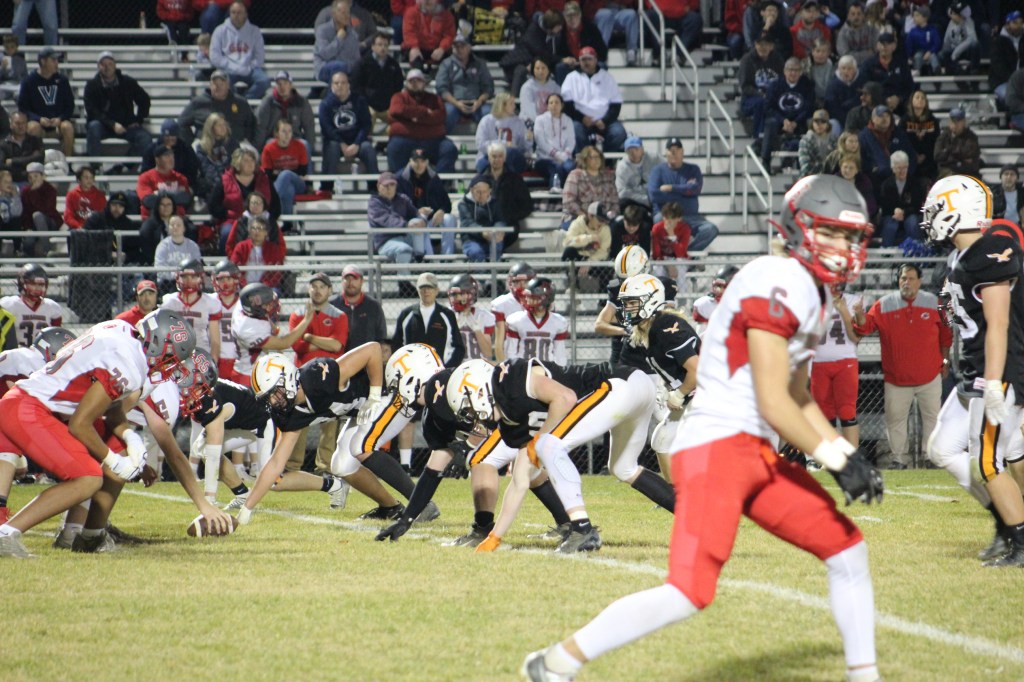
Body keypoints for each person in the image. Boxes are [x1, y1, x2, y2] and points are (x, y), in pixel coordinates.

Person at [522, 174, 883, 682]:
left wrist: (840, 449)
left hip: (753, 453)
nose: (843, 248)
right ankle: (558, 661)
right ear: (799, 228)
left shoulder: (816, 295)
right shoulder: (776, 279)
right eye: (832, 233)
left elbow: (798, 394)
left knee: (847, 548)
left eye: (850, 237)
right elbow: (772, 397)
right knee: (688, 592)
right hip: (716, 448)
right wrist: (838, 456)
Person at [0, 311, 228, 558]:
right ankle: (7, 534)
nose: (170, 367)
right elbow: (81, 424)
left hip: (39, 405)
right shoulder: (131, 366)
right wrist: (113, 460)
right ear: (159, 344)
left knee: (115, 451)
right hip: (31, 409)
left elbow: (110, 406)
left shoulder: (120, 330)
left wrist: (129, 437)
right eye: (171, 359)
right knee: (88, 477)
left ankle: (88, 535)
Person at [922, 174, 1024, 567]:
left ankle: (1019, 539)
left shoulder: (991, 250)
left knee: (988, 462)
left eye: (936, 209)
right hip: (973, 370)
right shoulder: (957, 258)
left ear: (956, 210)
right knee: (942, 448)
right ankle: (1004, 521)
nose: (930, 217)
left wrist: (995, 382)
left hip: (996, 372)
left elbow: (998, 324)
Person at [446, 357, 609, 553]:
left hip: (607, 386)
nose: (472, 416)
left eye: (469, 407)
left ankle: (581, 528)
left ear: (481, 391)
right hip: (589, 401)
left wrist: (540, 438)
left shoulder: (512, 382)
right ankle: (574, 526)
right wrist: (494, 537)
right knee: (623, 467)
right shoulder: (508, 419)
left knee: (546, 449)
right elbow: (519, 481)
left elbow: (565, 397)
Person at [237, 345, 407, 525]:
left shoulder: (316, 377)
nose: (273, 401)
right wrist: (247, 507)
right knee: (341, 466)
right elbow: (276, 463)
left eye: (275, 393)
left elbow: (372, 350)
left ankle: (420, 505)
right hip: (363, 412)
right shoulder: (290, 413)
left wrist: (374, 396)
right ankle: (391, 508)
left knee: (359, 447)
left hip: (393, 393)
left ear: (288, 378)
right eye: (268, 398)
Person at [853, 263, 951, 469]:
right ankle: (899, 459)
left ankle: (930, 457)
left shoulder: (934, 303)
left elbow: (946, 336)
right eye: (903, 278)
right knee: (895, 421)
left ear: (919, 281)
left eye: (911, 278)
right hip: (896, 378)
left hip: (929, 376)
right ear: (898, 281)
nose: (907, 282)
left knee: (932, 419)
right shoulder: (883, 304)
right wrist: (859, 315)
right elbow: (865, 327)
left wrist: (944, 361)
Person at [0, 326, 75, 522]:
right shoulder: (28, 359)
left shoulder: (26, 359)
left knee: (19, 467)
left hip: (6, 415)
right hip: (6, 416)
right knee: (7, 450)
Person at [285, 272, 350, 475]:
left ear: (330, 290)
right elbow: (297, 346)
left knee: (329, 422)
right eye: (314, 286)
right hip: (303, 378)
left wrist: (308, 337)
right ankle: (292, 467)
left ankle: (325, 468)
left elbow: (337, 345)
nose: (318, 290)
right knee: (299, 422)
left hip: (330, 377)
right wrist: (322, 343)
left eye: (322, 286)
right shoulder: (297, 314)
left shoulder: (339, 315)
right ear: (308, 289)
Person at [231, 282, 313, 384]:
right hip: (248, 376)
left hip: (252, 370)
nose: (271, 306)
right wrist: (306, 319)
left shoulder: (244, 307)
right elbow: (284, 343)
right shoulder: (248, 328)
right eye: (267, 305)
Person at [648, 138, 719, 252]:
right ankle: (669, 254)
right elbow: (654, 195)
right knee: (659, 219)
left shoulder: (693, 169)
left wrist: (671, 188)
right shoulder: (657, 171)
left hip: (690, 216)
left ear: (683, 152)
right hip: (665, 216)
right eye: (671, 150)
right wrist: (685, 192)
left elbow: (696, 189)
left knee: (711, 229)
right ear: (666, 153)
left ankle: (686, 254)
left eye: (677, 150)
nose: (674, 153)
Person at [387, 69, 458, 173]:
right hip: (405, 140)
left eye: (418, 80)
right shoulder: (398, 97)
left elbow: (441, 116)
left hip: (433, 140)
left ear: (424, 83)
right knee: (394, 147)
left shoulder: (434, 98)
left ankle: (439, 181)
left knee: (449, 148)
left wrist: (410, 118)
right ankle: (400, 180)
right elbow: (396, 110)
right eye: (411, 81)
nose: (415, 83)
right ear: (406, 83)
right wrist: (424, 111)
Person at [319, 70, 378, 195]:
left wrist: (356, 143)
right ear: (332, 85)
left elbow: (366, 125)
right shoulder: (325, 104)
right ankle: (326, 188)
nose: (339, 86)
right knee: (331, 147)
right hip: (336, 142)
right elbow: (326, 128)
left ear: (348, 85)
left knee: (368, 148)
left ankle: (374, 188)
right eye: (336, 83)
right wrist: (341, 143)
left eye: (343, 82)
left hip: (357, 142)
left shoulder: (359, 101)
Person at [83, 51, 151, 158]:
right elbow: (92, 111)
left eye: (110, 64)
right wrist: (112, 124)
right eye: (103, 64)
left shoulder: (127, 82)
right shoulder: (91, 85)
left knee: (145, 138)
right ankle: (95, 165)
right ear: (98, 67)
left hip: (126, 125)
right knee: (93, 127)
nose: (107, 67)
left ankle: (126, 164)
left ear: (115, 65)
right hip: (103, 125)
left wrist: (138, 119)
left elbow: (144, 100)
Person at [210, 146, 279, 251]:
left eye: (252, 160)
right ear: (237, 163)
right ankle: (227, 259)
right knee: (227, 233)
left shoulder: (264, 179)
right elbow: (212, 205)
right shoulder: (225, 180)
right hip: (233, 221)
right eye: (246, 161)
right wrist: (227, 214)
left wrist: (266, 218)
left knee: (271, 232)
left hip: (261, 221)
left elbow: (276, 206)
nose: (250, 163)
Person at [392, 272, 466, 369]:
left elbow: (459, 348)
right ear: (417, 289)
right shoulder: (406, 315)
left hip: (441, 371)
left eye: (430, 287)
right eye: (422, 287)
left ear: (437, 290)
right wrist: (406, 368)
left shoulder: (447, 315)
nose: (426, 291)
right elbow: (396, 345)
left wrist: (446, 369)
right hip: (413, 371)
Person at [560, 46, 626, 152]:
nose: (586, 62)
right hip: (580, 120)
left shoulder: (607, 77)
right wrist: (582, 118)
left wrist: (604, 120)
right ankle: (584, 159)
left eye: (589, 59)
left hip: (604, 121)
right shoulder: (571, 78)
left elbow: (616, 105)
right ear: (579, 61)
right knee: (575, 130)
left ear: (595, 60)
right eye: (583, 59)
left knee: (619, 132)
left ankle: (606, 159)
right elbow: (567, 105)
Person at [369, 171, 428, 288]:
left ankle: (419, 255)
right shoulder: (374, 203)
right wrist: (405, 225)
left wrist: (422, 221)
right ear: (378, 186)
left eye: (392, 185)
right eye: (386, 185)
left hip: (405, 237)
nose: (389, 188)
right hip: (386, 242)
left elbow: (416, 213)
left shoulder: (402, 199)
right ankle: (404, 283)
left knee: (416, 222)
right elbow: (387, 220)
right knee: (404, 249)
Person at [396, 149, 457, 256]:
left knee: (449, 219)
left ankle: (447, 257)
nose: (419, 165)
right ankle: (429, 259)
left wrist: (441, 211)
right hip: (412, 219)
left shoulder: (433, 177)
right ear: (410, 161)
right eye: (416, 161)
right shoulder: (400, 178)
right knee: (420, 221)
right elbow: (399, 205)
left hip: (432, 218)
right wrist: (417, 212)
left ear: (427, 162)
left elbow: (446, 202)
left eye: (422, 161)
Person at [17, 45, 75, 157]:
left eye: (57, 60)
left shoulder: (62, 80)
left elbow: (70, 106)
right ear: (43, 61)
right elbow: (23, 108)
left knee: (67, 127)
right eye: (53, 60)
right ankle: (33, 160)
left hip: (58, 123)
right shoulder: (29, 81)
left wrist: (60, 118)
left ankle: (68, 161)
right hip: (38, 123)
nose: (56, 63)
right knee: (32, 127)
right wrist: (38, 118)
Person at [760, 56, 815, 169]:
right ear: (785, 71)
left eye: (796, 70)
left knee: (813, 122)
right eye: (790, 70)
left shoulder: (807, 85)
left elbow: (809, 108)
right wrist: (783, 120)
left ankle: (809, 163)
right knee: (770, 123)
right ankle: (765, 161)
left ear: (801, 72)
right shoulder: (775, 85)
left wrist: (795, 122)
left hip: (800, 121)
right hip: (779, 121)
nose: (793, 73)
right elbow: (768, 107)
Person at [177, 70, 256, 146]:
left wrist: (245, 138)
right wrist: (190, 141)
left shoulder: (240, 102)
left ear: (228, 85)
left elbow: (252, 123)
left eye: (221, 84)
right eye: (215, 84)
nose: (218, 87)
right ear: (210, 85)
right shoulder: (198, 102)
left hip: (237, 144)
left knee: (250, 152)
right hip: (205, 145)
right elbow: (182, 123)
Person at [209, 1, 270, 99]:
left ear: (245, 14)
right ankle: (234, 101)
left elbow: (260, 57)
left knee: (264, 81)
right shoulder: (220, 30)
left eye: (239, 13)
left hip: (249, 69)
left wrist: (249, 67)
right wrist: (231, 66)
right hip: (228, 69)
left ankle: (245, 100)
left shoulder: (254, 31)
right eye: (233, 12)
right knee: (221, 82)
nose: (236, 15)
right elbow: (214, 57)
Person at [504, 277, 569, 367]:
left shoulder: (558, 322)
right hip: (523, 370)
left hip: (547, 370)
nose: (527, 300)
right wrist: (515, 371)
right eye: (527, 297)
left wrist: (558, 372)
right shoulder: (516, 320)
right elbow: (510, 354)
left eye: (533, 298)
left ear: (545, 300)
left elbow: (560, 355)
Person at [437, 33, 495, 134]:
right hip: (454, 103)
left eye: (462, 46)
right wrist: (456, 103)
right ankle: (441, 140)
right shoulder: (446, 64)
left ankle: (490, 142)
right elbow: (441, 88)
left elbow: (488, 87)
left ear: (469, 47)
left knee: (490, 115)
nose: (459, 49)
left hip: (477, 103)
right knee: (446, 113)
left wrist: (479, 101)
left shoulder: (479, 64)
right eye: (456, 47)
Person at [479, 143, 533, 249]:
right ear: (489, 158)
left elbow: (527, 206)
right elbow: (471, 204)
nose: (497, 160)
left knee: (497, 235)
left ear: (504, 158)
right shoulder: (480, 179)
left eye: (500, 156)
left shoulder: (515, 179)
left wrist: (509, 216)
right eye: (494, 156)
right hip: (485, 224)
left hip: (508, 225)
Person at [354, 31, 405, 135]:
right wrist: (364, 101)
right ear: (373, 46)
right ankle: (366, 141)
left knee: (402, 124)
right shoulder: (363, 63)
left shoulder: (393, 65)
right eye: (380, 44)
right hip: (368, 105)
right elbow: (356, 85)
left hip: (388, 107)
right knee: (367, 117)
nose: (383, 48)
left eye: (385, 45)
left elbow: (399, 85)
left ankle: (383, 142)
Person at [0, 263, 62, 348]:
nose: (37, 288)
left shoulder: (52, 307)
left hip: (42, 354)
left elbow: (56, 337)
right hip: (16, 353)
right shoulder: (9, 305)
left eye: (41, 284)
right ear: (22, 284)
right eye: (33, 284)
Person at [858, 104, 916, 193]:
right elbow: (861, 160)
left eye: (887, 116)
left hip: (900, 179)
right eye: (881, 116)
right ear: (873, 119)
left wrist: (907, 173)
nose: (885, 119)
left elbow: (911, 155)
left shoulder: (899, 133)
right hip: (874, 181)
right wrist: (874, 170)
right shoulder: (864, 136)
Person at [254, 70, 316, 153]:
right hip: (273, 139)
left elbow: (309, 127)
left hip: (295, 138)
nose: (282, 87)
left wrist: (311, 146)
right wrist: (258, 149)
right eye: (279, 84)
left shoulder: (301, 102)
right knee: (269, 145)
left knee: (305, 145)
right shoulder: (268, 102)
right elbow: (261, 127)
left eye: (285, 83)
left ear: (290, 85)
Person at [738, 32, 785, 140]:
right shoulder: (747, 60)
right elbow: (745, 86)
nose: (763, 47)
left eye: (766, 44)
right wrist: (761, 94)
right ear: (755, 45)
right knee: (761, 103)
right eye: (760, 44)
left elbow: (782, 81)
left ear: (772, 46)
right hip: (751, 99)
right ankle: (758, 137)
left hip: (772, 97)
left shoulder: (778, 59)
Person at [329, 265, 388, 350]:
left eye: (355, 279)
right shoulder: (332, 304)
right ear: (342, 281)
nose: (350, 282)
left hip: (366, 355)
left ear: (362, 281)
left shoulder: (373, 306)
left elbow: (381, 336)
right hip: (338, 355)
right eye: (347, 278)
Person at [260, 119, 309, 220]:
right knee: (288, 190)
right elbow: (267, 174)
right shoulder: (268, 149)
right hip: (278, 183)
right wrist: (282, 174)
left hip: (298, 183)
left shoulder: (300, 146)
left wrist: (279, 172)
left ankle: (270, 206)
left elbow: (303, 171)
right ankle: (287, 224)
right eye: (283, 131)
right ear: (276, 133)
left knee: (286, 174)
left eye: (289, 131)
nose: (287, 135)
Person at [877, 151, 927, 247]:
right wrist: (895, 211)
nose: (902, 171)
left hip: (910, 215)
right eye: (899, 168)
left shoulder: (915, 183)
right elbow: (884, 205)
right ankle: (885, 252)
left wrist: (904, 212)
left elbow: (917, 206)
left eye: (905, 167)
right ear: (893, 168)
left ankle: (918, 250)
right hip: (891, 215)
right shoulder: (886, 184)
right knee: (890, 225)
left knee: (912, 222)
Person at [561, 144, 617, 230]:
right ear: (585, 159)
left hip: (604, 221)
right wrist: (587, 217)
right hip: (578, 218)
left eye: (598, 157)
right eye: (592, 157)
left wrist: (608, 217)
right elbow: (568, 201)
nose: (596, 160)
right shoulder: (575, 175)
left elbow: (615, 204)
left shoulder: (608, 177)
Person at [473, 92, 529, 174]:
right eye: (511, 104)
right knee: (503, 155)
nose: (514, 106)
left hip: (512, 158)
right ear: (502, 105)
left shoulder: (519, 122)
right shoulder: (486, 121)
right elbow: (480, 144)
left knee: (511, 153)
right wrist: (503, 145)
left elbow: (522, 149)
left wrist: (528, 140)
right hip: (488, 157)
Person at [861, 32, 914, 116]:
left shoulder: (902, 64)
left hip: (900, 105)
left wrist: (899, 99)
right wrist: (883, 100)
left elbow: (909, 86)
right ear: (877, 46)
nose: (884, 47)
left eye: (888, 44)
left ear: (894, 46)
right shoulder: (868, 64)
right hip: (875, 105)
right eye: (882, 44)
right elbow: (864, 87)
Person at [230, 216, 287, 292]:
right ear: (249, 230)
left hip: (266, 288)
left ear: (266, 232)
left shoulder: (273, 249)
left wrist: (264, 286)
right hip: (243, 287)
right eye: (254, 228)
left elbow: (277, 273)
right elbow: (233, 268)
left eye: (260, 228)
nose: (257, 231)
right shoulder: (241, 247)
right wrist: (245, 286)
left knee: (275, 292)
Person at [562, 202, 612, 287]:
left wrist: (589, 262)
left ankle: (604, 294)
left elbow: (603, 252)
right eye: (600, 220)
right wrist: (589, 238)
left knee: (608, 267)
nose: (602, 223)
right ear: (590, 216)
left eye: (604, 220)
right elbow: (567, 242)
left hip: (594, 260)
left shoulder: (605, 229)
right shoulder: (578, 224)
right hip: (578, 258)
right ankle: (574, 287)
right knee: (568, 252)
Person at [141, 119, 201, 191]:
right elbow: (145, 172)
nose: (170, 138)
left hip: (180, 186)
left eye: (173, 135)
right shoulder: (151, 150)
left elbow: (192, 171)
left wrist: (182, 184)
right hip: (157, 187)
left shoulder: (185, 149)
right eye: (167, 135)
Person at [491, 261, 534, 362]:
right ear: (511, 283)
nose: (522, 286)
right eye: (517, 282)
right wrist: (503, 366)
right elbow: (499, 344)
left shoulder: (541, 302)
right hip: (511, 356)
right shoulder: (502, 303)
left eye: (525, 282)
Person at [458, 176, 507, 262]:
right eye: (478, 192)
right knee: (476, 251)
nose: (481, 195)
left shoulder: (495, 203)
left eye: (484, 192)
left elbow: (500, 220)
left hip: (491, 236)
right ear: (471, 190)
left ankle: (495, 268)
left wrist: (498, 230)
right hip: (471, 239)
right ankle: (482, 271)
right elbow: (468, 223)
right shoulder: (463, 204)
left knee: (497, 242)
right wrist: (482, 232)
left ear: (489, 191)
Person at [557, 2, 608, 82]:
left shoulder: (591, 28)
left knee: (602, 66)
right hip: (570, 65)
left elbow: (603, 52)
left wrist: (589, 59)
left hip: (589, 62)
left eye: (575, 15)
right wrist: (563, 59)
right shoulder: (560, 31)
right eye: (569, 16)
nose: (572, 19)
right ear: (564, 17)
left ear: (580, 15)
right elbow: (553, 54)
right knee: (560, 67)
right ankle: (563, 90)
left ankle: (598, 89)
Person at [533, 93, 576, 188]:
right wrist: (556, 154)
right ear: (547, 106)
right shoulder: (540, 120)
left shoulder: (568, 120)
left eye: (556, 102)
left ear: (562, 105)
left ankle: (568, 193)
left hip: (565, 158)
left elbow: (571, 141)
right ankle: (555, 192)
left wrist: (565, 155)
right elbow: (541, 142)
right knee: (556, 168)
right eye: (551, 103)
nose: (554, 105)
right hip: (544, 158)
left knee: (570, 167)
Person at [137, 147, 192, 221]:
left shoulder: (180, 178)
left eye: (172, 155)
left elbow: (186, 199)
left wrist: (159, 194)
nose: (171, 159)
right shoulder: (146, 177)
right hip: (153, 219)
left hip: (178, 219)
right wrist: (176, 196)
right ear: (157, 159)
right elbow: (148, 201)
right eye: (167, 156)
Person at [313, 0, 361, 84]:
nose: (347, 16)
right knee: (339, 66)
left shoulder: (353, 34)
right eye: (343, 13)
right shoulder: (322, 30)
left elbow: (356, 59)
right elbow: (325, 54)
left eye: (348, 13)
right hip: (324, 68)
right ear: (334, 14)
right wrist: (339, 39)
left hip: (345, 70)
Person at [402, 0, 456, 73]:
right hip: (418, 48)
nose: (427, 1)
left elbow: (449, 35)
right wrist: (414, 47)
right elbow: (409, 33)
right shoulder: (411, 12)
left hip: (437, 49)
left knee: (449, 58)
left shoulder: (446, 15)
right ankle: (416, 77)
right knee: (413, 55)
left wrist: (442, 48)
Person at [448, 274, 494, 361]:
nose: (455, 298)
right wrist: (454, 330)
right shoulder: (447, 314)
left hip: (477, 366)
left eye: (460, 294)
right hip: (454, 365)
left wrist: (477, 331)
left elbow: (488, 353)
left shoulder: (483, 316)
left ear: (471, 294)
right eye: (453, 294)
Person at [19, 162, 59, 257]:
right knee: (29, 239)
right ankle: (28, 260)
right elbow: (25, 212)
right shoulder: (26, 191)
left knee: (37, 215)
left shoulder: (50, 190)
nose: (33, 179)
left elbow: (47, 209)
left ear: (42, 176)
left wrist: (34, 192)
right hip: (33, 225)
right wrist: (27, 227)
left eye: (36, 176)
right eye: (30, 177)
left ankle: (47, 250)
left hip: (50, 222)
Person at [154, 218, 202, 293]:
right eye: (172, 225)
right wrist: (177, 276)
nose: (175, 227)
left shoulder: (193, 246)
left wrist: (184, 276)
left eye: (178, 225)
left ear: (184, 228)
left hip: (189, 280)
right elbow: (160, 269)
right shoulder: (162, 246)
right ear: (168, 228)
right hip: (168, 283)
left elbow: (197, 267)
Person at [901, 90, 939, 182]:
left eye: (923, 98)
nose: (920, 100)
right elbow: (902, 141)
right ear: (911, 101)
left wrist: (925, 155)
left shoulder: (933, 120)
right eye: (917, 97)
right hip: (909, 158)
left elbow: (936, 140)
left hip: (929, 159)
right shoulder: (904, 120)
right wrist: (914, 155)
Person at [933, 108, 980, 179]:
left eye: (958, 121)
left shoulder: (971, 137)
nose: (955, 124)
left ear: (964, 122)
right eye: (953, 121)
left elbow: (971, 157)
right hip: (947, 172)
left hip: (968, 173)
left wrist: (948, 152)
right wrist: (959, 159)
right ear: (949, 122)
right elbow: (937, 156)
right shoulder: (943, 137)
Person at [691, 263, 738, 332]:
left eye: (721, 286)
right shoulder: (705, 304)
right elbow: (701, 335)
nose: (717, 290)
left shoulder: (745, 304)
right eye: (717, 286)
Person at [990, 11, 1024, 104]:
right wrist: (1014, 80)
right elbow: (998, 66)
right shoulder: (998, 41)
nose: (1019, 26)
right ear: (1008, 24)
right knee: (1011, 97)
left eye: (1021, 23)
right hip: (1002, 82)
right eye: (1015, 23)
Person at [615, 136, 656, 211]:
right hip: (634, 201)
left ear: (642, 149)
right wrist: (645, 200)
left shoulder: (654, 158)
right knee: (623, 202)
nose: (633, 153)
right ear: (626, 152)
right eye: (630, 150)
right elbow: (621, 192)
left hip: (654, 198)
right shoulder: (622, 167)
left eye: (636, 149)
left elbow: (666, 170)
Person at [825, 55, 865, 133]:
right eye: (843, 68)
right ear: (839, 69)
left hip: (859, 119)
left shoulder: (862, 82)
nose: (846, 71)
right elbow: (832, 108)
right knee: (832, 124)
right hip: (840, 120)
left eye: (849, 68)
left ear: (855, 70)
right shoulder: (833, 85)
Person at [940, 1, 979, 78]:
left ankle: (974, 70)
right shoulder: (951, 24)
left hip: (966, 51)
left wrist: (955, 53)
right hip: (954, 50)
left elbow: (972, 39)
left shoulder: (968, 21)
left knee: (976, 45)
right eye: (954, 13)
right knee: (945, 53)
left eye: (957, 13)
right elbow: (946, 42)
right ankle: (959, 71)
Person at [1, 111, 42, 183]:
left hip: (32, 181)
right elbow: (1, 165)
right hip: (12, 181)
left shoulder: (35, 141)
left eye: (23, 123)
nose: (21, 126)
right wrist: (26, 163)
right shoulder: (3, 144)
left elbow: (38, 157)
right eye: (17, 123)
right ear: (11, 125)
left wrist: (13, 161)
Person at [518, 58, 561, 127]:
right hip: (529, 121)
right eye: (537, 68)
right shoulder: (527, 87)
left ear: (548, 69)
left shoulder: (555, 87)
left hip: (550, 122)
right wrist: (540, 123)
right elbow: (528, 109)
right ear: (533, 70)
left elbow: (558, 106)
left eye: (543, 68)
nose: (541, 71)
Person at [62, 166, 106, 231]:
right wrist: (79, 226)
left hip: (95, 230)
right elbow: (68, 216)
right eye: (86, 177)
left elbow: (102, 216)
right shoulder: (72, 194)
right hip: (77, 229)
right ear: (79, 179)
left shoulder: (100, 196)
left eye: (91, 177)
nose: (89, 180)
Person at [798, 109, 838, 177]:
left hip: (830, 179)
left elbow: (837, 164)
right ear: (812, 123)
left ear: (828, 124)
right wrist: (827, 168)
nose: (819, 125)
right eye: (816, 122)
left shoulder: (834, 140)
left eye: (823, 122)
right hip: (809, 178)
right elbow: (806, 166)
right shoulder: (805, 141)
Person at [836, 1, 876, 65]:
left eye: (859, 14)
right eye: (853, 14)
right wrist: (867, 53)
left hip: (870, 65)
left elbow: (875, 51)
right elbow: (845, 56)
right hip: (849, 66)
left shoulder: (872, 29)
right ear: (848, 16)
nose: (856, 17)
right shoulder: (843, 33)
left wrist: (853, 54)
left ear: (863, 15)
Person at [905, 5, 940, 75]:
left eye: (917, 15)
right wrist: (909, 57)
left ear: (924, 17)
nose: (914, 18)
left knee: (933, 57)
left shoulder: (932, 29)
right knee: (918, 56)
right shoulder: (913, 31)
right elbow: (908, 46)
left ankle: (937, 73)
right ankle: (917, 72)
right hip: (918, 53)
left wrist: (930, 51)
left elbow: (937, 43)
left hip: (930, 52)